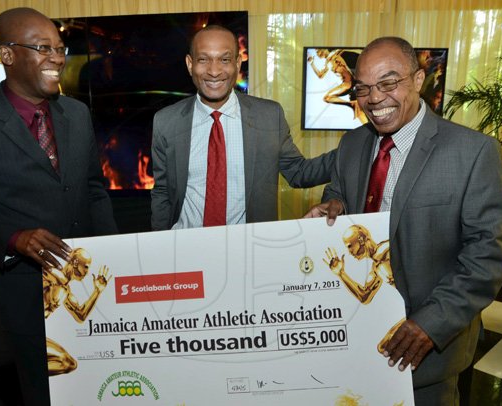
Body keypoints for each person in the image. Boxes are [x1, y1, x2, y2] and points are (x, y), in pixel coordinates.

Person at [305, 36, 502, 405]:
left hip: (426, 348)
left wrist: (431, 324)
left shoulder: (473, 152)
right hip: (354, 333)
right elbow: (337, 194)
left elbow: (488, 254)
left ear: (418, 80)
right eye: (364, 88)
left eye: (388, 83)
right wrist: (333, 206)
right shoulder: (352, 144)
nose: (374, 98)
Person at [0, 7, 118, 405]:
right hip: (27, 292)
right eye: (42, 48)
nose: (56, 57)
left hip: (88, 282)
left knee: (103, 379)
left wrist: (115, 254)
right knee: (44, 386)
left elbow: (93, 188)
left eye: (59, 47)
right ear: (6, 55)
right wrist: (14, 237)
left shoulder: (78, 113)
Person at [150, 25, 335, 230]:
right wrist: (160, 245)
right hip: (185, 246)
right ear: (189, 64)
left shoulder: (268, 116)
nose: (214, 71)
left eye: (225, 59)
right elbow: (163, 192)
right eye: (203, 60)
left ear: (238, 64)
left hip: (249, 248)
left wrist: (353, 151)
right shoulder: (166, 122)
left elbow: (299, 172)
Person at [43, 248, 109, 376]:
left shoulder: (66, 292)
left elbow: (81, 316)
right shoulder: (51, 272)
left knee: (68, 363)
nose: (87, 272)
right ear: (74, 263)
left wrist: (97, 291)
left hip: (37, 334)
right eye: (86, 267)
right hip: (23, 325)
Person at [323, 224, 392, 304]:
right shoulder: (376, 269)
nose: (349, 252)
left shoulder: (389, 248)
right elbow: (364, 297)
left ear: (361, 240)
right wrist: (341, 273)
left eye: (349, 246)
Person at [307, 48, 366, 123]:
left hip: (349, 83)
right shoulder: (327, 62)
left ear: (325, 49)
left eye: (317, 51)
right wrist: (312, 63)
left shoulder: (338, 53)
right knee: (360, 114)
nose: (317, 54)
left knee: (327, 97)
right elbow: (320, 75)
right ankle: (354, 106)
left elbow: (357, 54)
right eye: (316, 52)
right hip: (347, 85)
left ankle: (354, 105)